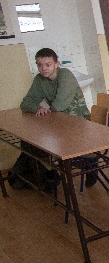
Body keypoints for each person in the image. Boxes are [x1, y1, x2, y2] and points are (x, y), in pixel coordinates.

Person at [11, 48, 92, 189]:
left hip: (78, 123)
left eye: (48, 64)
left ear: (57, 64)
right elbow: (25, 103)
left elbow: (59, 105)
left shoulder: (65, 75)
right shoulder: (39, 79)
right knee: (28, 143)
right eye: (40, 65)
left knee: (40, 143)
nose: (44, 69)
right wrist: (37, 108)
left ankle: (85, 166)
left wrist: (47, 110)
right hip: (57, 123)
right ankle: (49, 174)